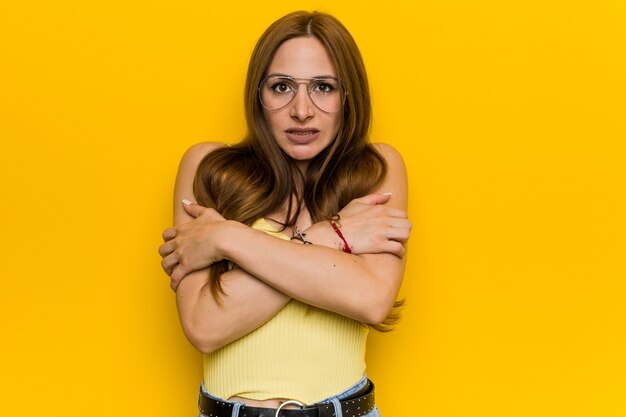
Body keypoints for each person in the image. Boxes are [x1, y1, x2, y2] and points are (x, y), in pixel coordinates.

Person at [158, 10, 411, 417]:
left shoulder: (376, 169)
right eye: (282, 87)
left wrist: (226, 238)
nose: (302, 111)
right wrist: (336, 237)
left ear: (348, 96)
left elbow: (370, 299)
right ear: (259, 95)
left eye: (323, 88)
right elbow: (205, 327)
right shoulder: (208, 169)